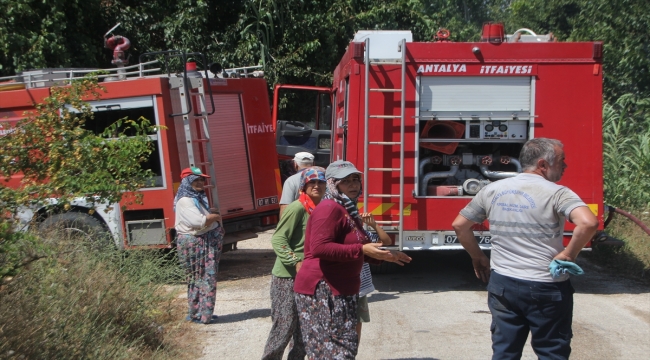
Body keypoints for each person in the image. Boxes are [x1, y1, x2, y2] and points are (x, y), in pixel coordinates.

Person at [451, 138, 599, 360]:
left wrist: (478, 256)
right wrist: (568, 254)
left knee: (504, 352)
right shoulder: (558, 193)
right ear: (542, 164)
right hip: (546, 287)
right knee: (552, 352)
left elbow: (460, 225)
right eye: (561, 161)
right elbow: (588, 223)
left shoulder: (492, 189)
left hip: (503, 285)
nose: (565, 166)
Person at [294, 160, 411, 359]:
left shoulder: (348, 210)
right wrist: (362, 249)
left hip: (343, 288)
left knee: (344, 347)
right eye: (346, 181)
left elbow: (355, 247)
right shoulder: (329, 208)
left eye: (356, 179)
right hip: (323, 288)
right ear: (333, 184)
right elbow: (320, 248)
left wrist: (385, 256)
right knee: (331, 351)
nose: (354, 185)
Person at [262, 167, 326, 360]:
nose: (316, 186)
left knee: (304, 328)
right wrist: (295, 262)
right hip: (287, 277)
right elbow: (279, 240)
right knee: (284, 326)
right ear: (303, 187)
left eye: (320, 182)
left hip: (310, 278)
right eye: (311, 183)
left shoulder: (322, 208)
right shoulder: (297, 208)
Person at [174, 167, 225, 324]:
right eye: (196, 179)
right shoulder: (185, 200)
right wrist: (215, 217)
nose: (200, 182)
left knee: (201, 277)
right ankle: (201, 314)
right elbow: (198, 222)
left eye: (202, 179)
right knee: (201, 277)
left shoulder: (197, 197)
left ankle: (201, 312)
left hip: (201, 241)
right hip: (195, 243)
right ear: (187, 181)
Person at [279, 152, 314, 217]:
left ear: (295, 164)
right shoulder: (323, 178)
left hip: (300, 222)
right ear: (313, 164)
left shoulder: (291, 180)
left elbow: (285, 206)